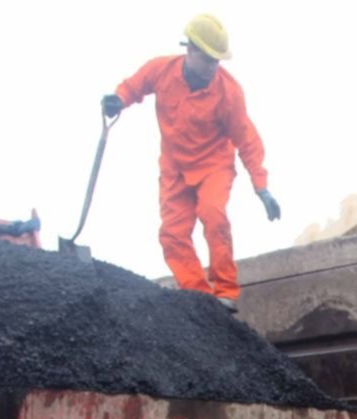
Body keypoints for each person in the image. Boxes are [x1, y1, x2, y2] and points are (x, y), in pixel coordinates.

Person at [103, 15, 281, 309]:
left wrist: (262, 188)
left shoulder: (229, 92)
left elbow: (247, 140)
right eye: (209, 59)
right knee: (171, 234)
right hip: (174, 168)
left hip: (214, 165)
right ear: (190, 50)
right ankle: (200, 297)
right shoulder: (162, 70)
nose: (214, 66)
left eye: (217, 61)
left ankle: (225, 290)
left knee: (212, 213)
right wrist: (118, 99)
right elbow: (134, 86)